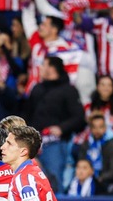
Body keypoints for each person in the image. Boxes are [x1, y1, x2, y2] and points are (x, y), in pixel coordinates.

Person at [20, 56, 86, 189]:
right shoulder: (37, 88)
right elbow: (26, 114)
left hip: (55, 143)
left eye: (43, 65)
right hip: (33, 144)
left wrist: (62, 128)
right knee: (29, 180)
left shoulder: (68, 90)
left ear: (51, 68)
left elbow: (79, 118)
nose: (40, 68)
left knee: (54, 179)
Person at [75, 113, 113, 190]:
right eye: (94, 127)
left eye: (100, 127)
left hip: (106, 182)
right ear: (90, 129)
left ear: (105, 128)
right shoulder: (86, 144)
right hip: (87, 180)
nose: (97, 130)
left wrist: (99, 178)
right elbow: (80, 164)